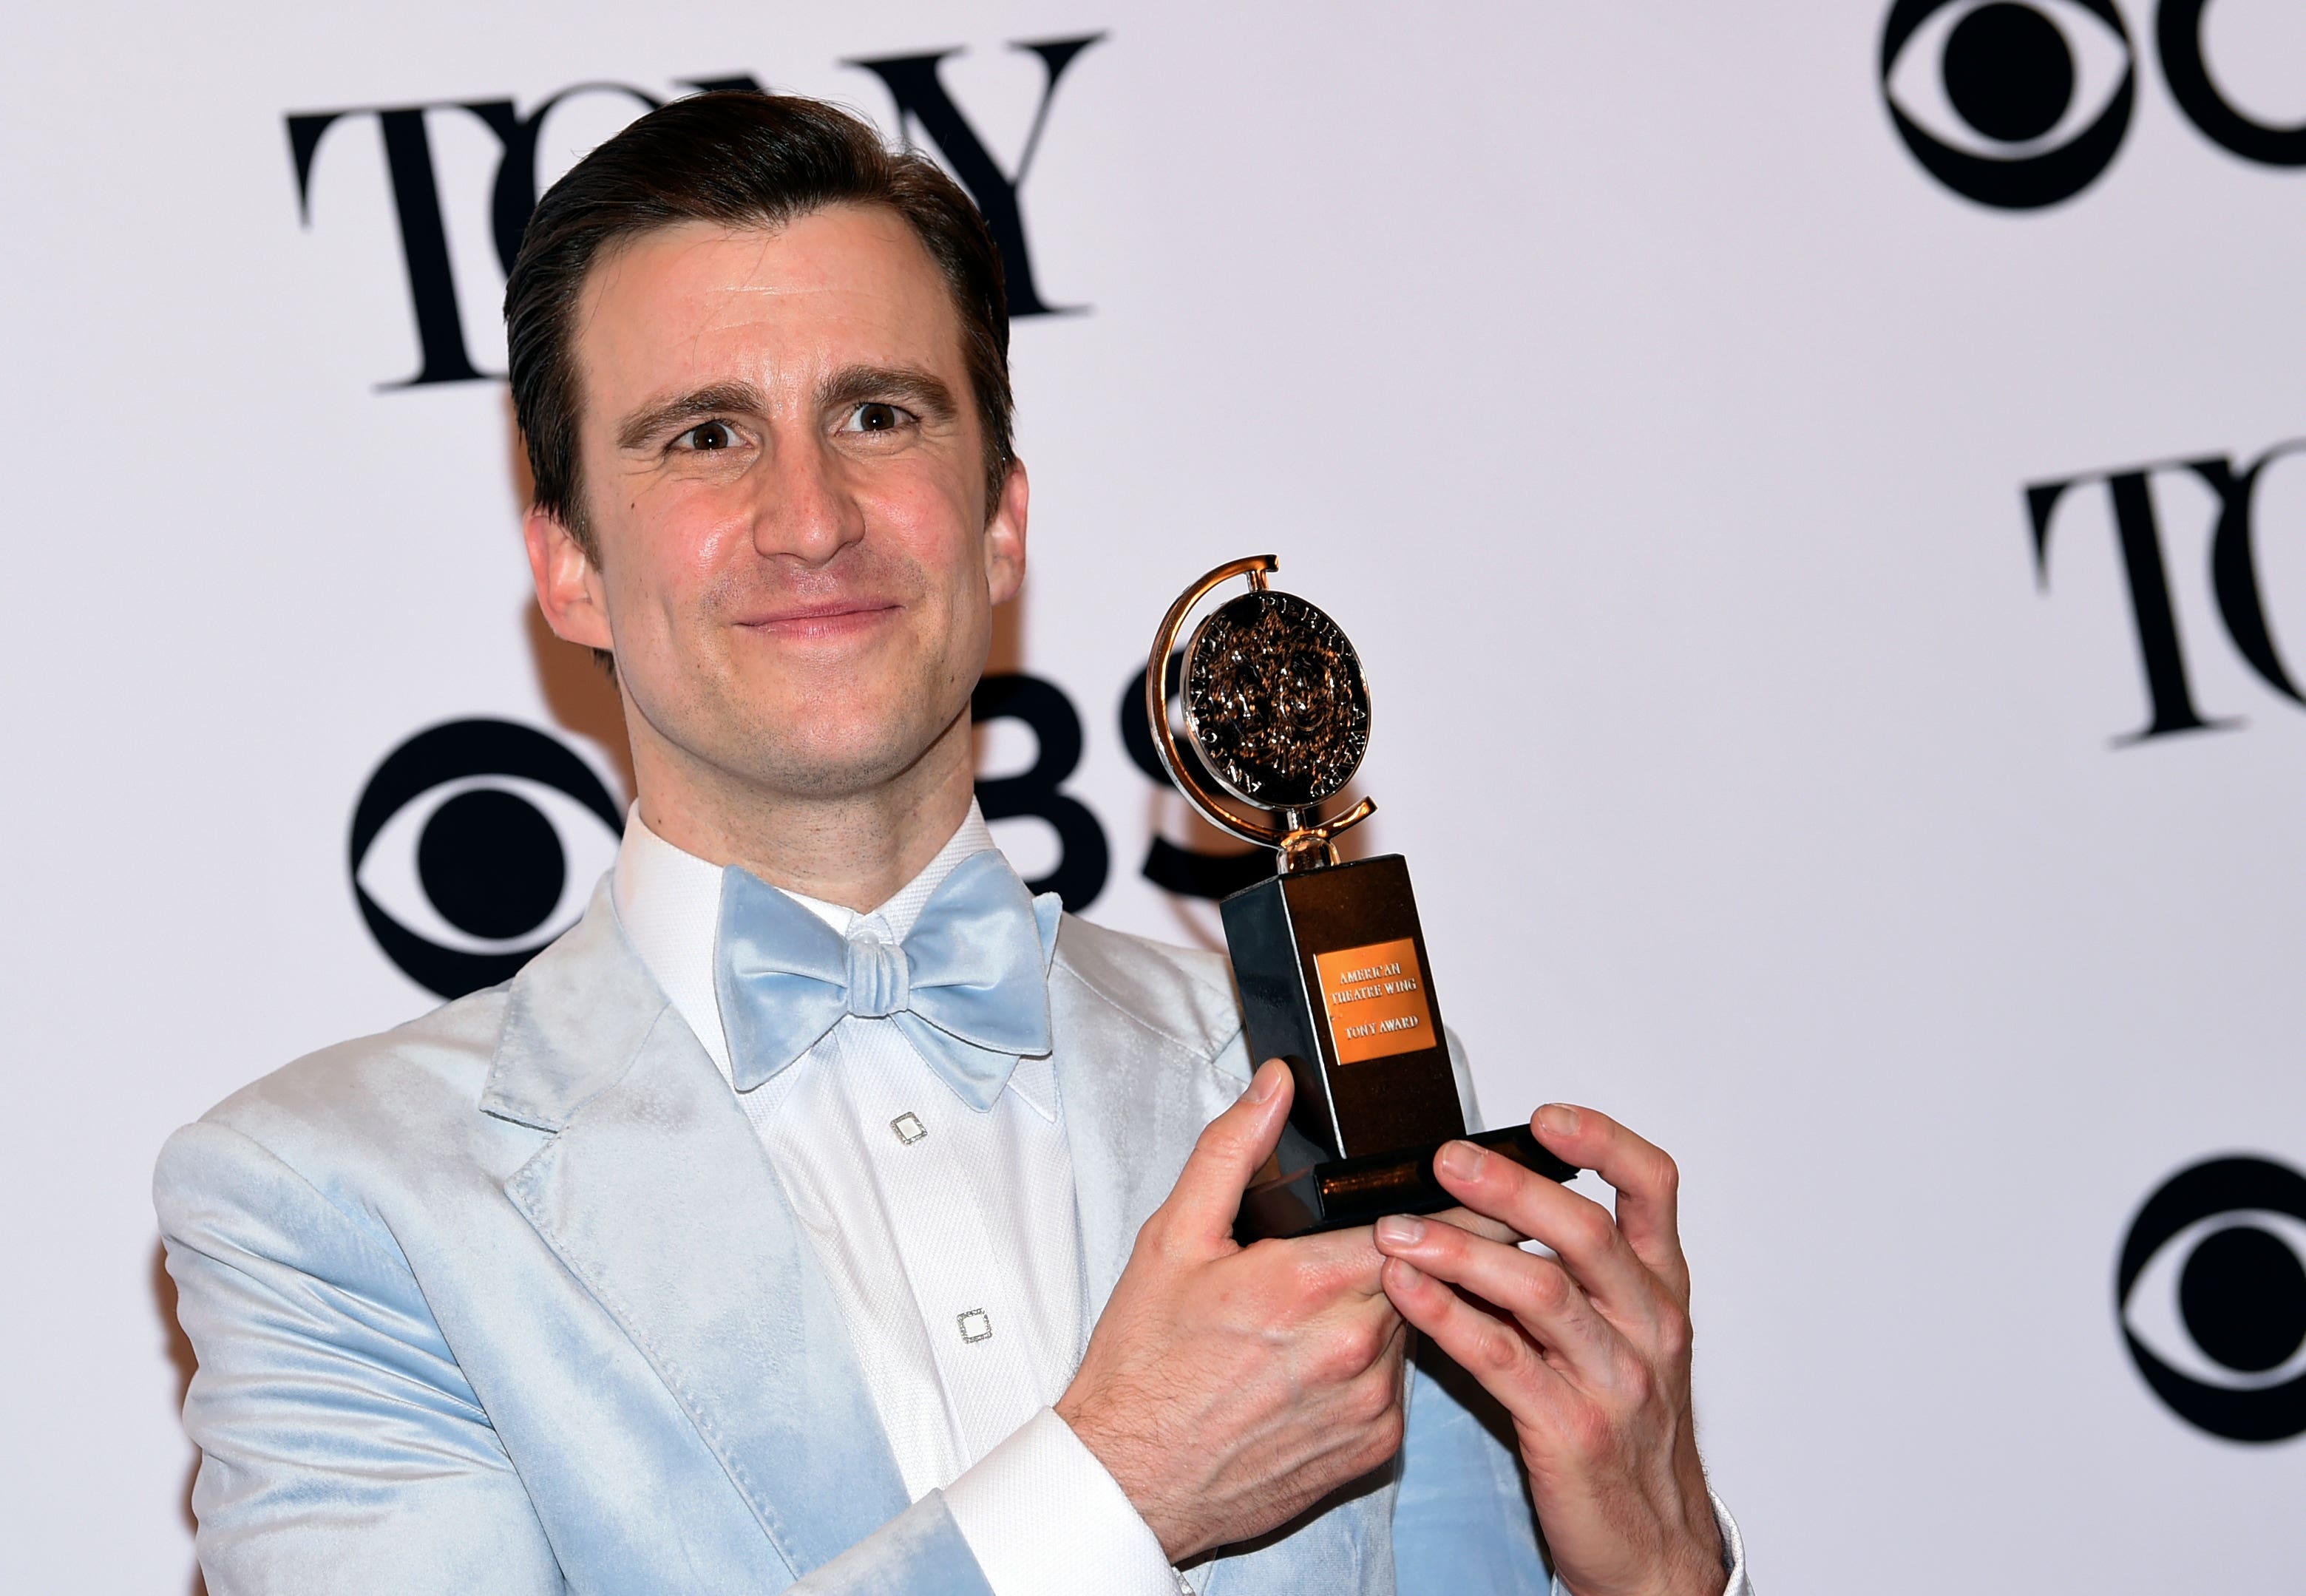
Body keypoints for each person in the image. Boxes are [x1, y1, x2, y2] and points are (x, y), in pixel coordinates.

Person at [155, 92, 1749, 1596]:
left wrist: (1660, 1581)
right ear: (567, 567)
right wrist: (1116, 1484)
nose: (811, 516)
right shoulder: (332, 1203)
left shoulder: (1315, 1078)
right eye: (704, 437)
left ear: (1000, 520)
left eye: (878, 412)